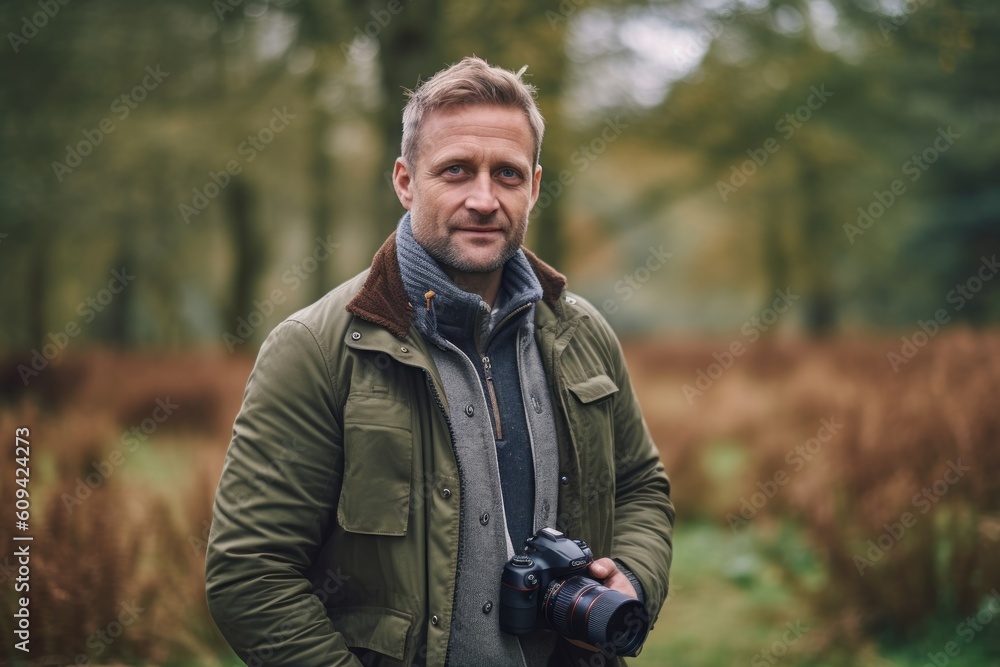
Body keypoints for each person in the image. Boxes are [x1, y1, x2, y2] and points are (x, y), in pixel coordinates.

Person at [205, 56, 674, 667]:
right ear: (405, 181)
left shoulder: (582, 333)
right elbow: (250, 573)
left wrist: (632, 579)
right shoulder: (315, 350)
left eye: (506, 174)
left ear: (533, 185)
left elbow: (641, 487)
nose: (484, 198)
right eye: (456, 171)